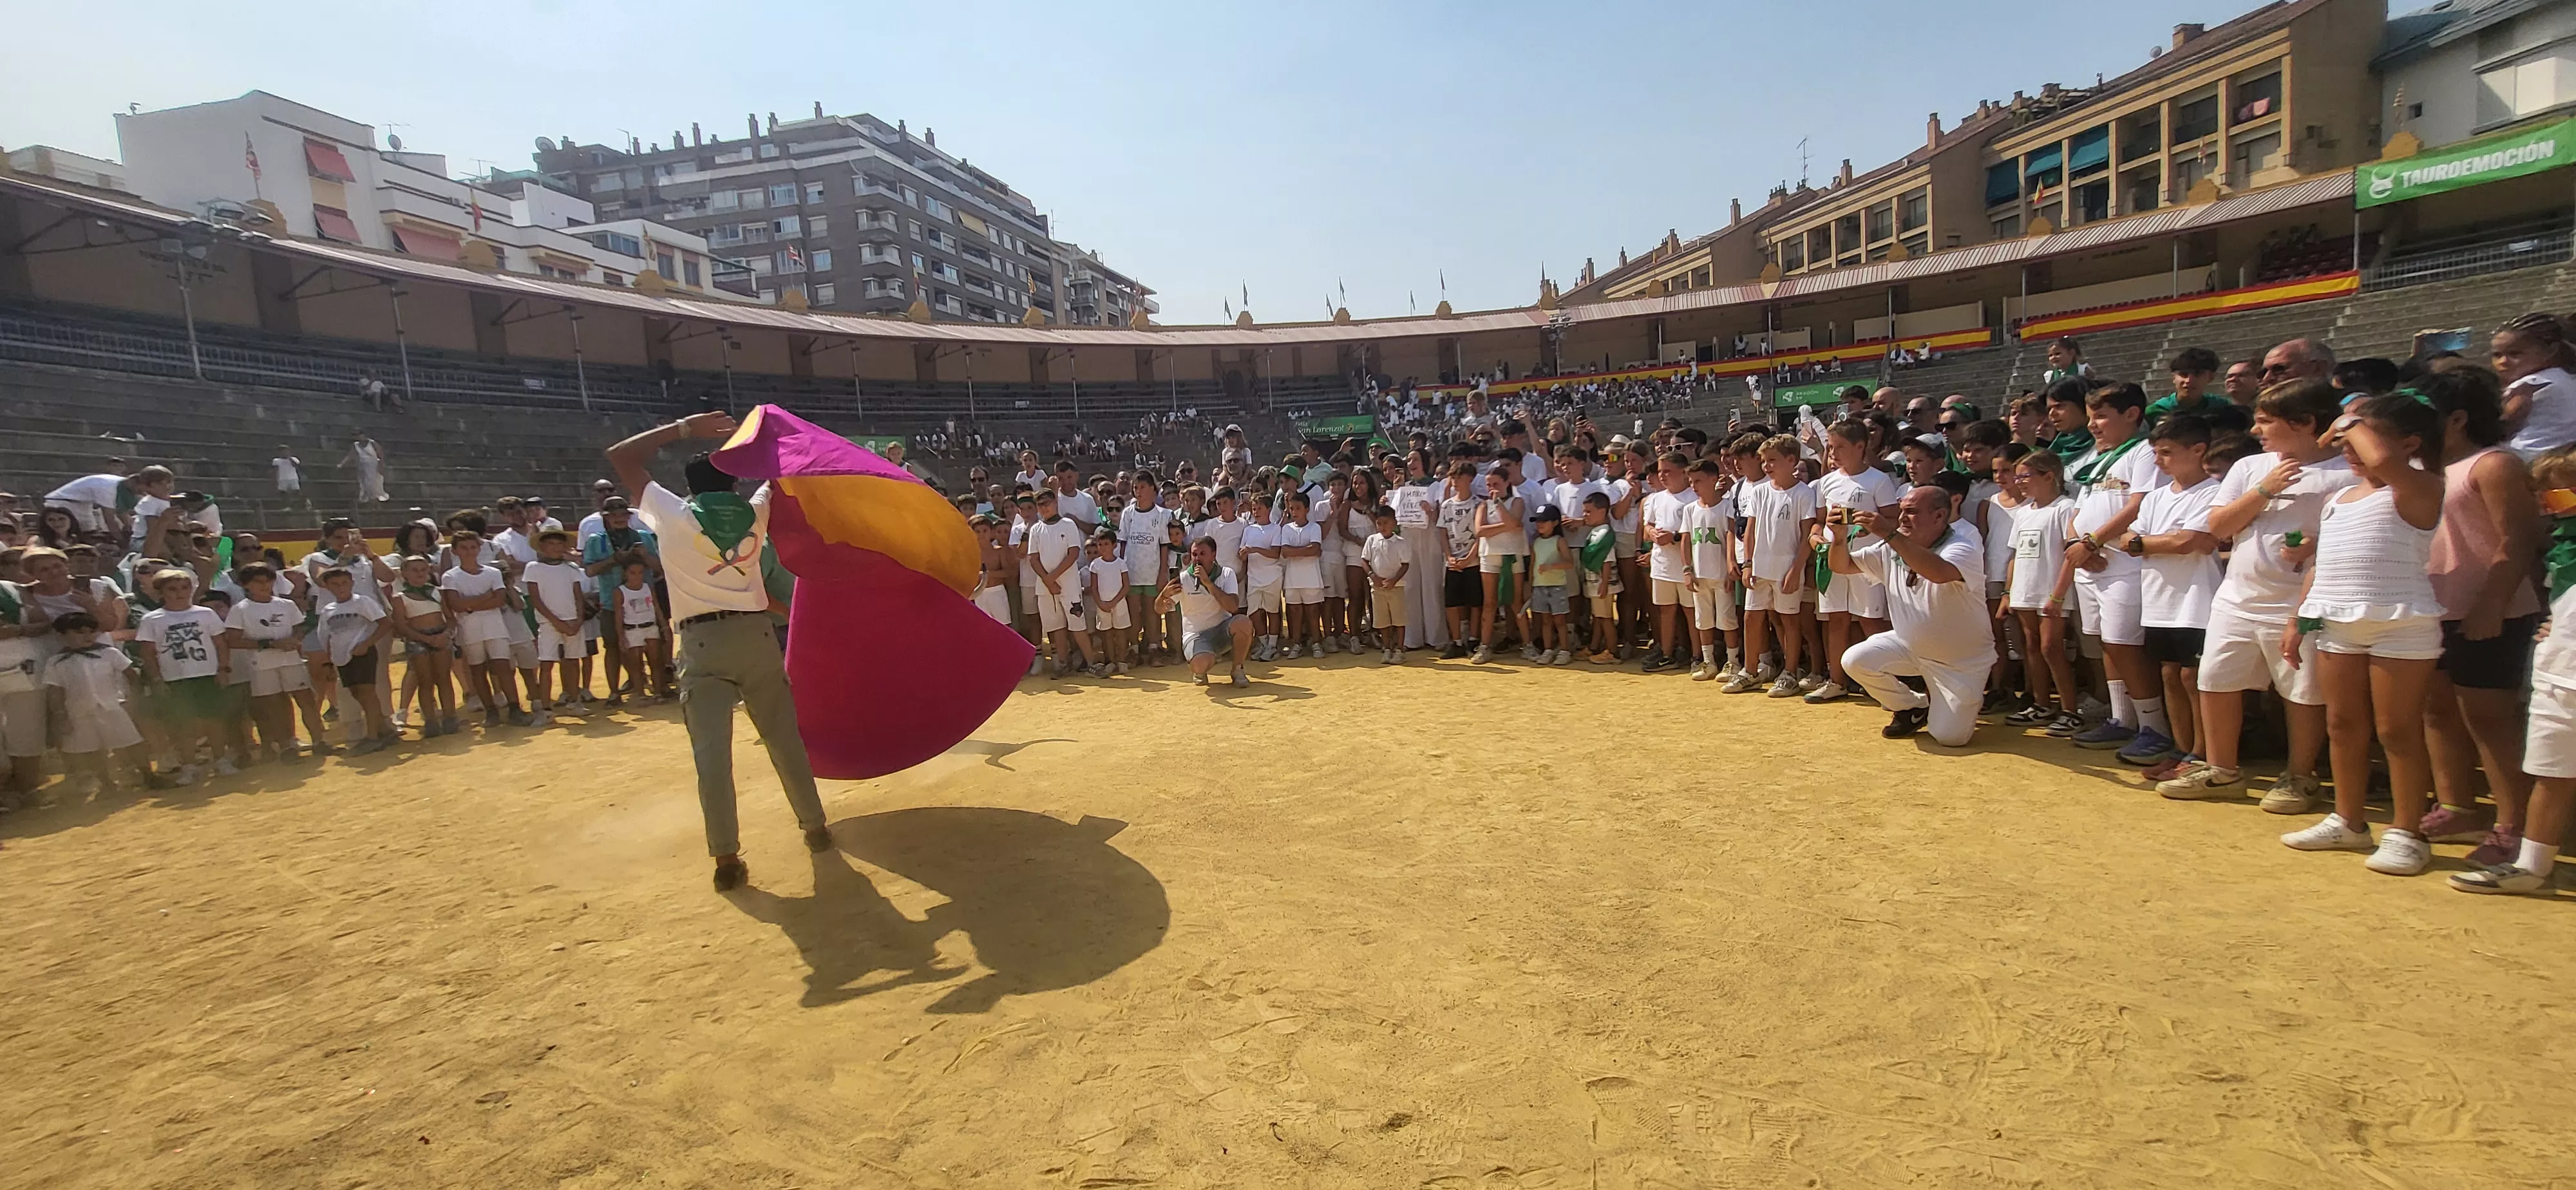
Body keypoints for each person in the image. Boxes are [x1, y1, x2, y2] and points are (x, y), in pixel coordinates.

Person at [606, 411, 831, 892]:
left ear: (690, 489)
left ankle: (726, 856)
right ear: (732, 485)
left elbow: (620, 457)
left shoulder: (675, 514)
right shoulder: (755, 512)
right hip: (755, 637)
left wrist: (685, 427)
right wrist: (759, 437)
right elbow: (779, 476)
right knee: (783, 738)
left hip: (702, 644)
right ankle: (814, 827)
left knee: (712, 756)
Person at [2156, 379, 2349, 805]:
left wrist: (2317, 546)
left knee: (2304, 690)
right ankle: (2222, 770)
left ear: (2305, 423)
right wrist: (2266, 490)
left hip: (2307, 603)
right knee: (2215, 679)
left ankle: (2301, 776)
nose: (2257, 430)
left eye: (2266, 421)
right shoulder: (2250, 468)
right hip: (2237, 598)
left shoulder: (2347, 473)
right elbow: (2219, 526)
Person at [2278, 393, 2448, 876]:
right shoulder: (2339, 501)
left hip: (2403, 623)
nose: (2347, 447)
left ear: (2410, 443)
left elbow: (2383, 461)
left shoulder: (2418, 487)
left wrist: (2350, 420)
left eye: (2358, 437)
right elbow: (2322, 567)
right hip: (2338, 623)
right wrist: (2299, 620)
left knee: (2397, 730)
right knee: (2342, 725)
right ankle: (2349, 821)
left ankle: (2407, 831)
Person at [2419, 367, 2542, 865]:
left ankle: (2515, 824)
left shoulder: (2494, 465)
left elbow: (2517, 541)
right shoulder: (2426, 471)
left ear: (2458, 419)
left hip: (2491, 610)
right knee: (2438, 709)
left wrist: (2492, 602)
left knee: (2490, 718)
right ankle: (2458, 805)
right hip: (2436, 607)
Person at [2453, 442, 2576, 893]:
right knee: (2552, 774)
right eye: (2545, 498)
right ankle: (2533, 867)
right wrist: (2556, 623)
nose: (2550, 509)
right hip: (2559, 675)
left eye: (2562, 497)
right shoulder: (2564, 547)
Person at [1827, 487, 1994, 745]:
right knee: (1854, 660)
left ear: (1939, 516)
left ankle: (1956, 702)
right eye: (1902, 510)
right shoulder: (1890, 545)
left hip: (1961, 662)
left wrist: (1888, 533)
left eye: (1912, 512)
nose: (1903, 517)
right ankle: (1912, 707)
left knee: (1950, 738)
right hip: (1911, 646)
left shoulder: (1962, 547)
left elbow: (1938, 572)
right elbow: (1841, 566)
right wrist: (1839, 539)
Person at [2061, 384, 2166, 753]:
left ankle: (2155, 728)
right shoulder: (2102, 456)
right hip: (2092, 566)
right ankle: (2123, 720)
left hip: (2125, 567)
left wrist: (2092, 543)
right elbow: (2078, 513)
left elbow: (2138, 506)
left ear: (2132, 414)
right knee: (2108, 644)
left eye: (2101, 416)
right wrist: (2079, 545)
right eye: (2091, 417)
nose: (2093, 425)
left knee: (2126, 645)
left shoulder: (2143, 453)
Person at [2117, 415, 2223, 772]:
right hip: (2160, 598)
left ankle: (2203, 751)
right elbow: (2129, 539)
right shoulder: (2157, 497)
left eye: (2167, 452)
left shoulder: (2214, 491)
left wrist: (2146, 543)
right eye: (2156, 453)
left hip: (2197, 597)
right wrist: (2158, 542)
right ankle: (2181, 750)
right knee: (2168, 674)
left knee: (2193, 677)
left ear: (2198, 450)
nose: (2160, 461)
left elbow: (2189, 542)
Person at [1809, 420, 1899, 701]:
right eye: (1830, 447)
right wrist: (1815, 538)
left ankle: (1883, 684)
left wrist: (1869, 527)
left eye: (1840, 447)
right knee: (1837, 620)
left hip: (1865, 562)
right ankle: (1836, 681)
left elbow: (1893, 520)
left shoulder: (1879, 480)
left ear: (1860, 447)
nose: (1833, 453)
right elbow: (1819, 522)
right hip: (1834, 559)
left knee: (1870, 621)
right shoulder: (1826, 482)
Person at [2000, 451, 2082, 733]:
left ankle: (2071, 709)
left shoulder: (2065, 508)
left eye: (2025, 476)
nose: (2019, 482)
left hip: (2051, 590)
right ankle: (2041, 703)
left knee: (2051, 647)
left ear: (2049, 477)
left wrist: (2058, 594)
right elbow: (2014, 555)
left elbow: (2070, 554)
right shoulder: (2024, 512)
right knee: (2031, 647)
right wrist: (2008, 592)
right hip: (2025, 589)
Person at [1728, 435, 1815, 697]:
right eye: (1764, 461)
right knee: (1751, 617)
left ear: (1792, 461)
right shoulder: (1759, 491)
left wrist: (1796, 569)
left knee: (1789, 620)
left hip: (1787, 569)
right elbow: (1751, 531)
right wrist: (1748, 564)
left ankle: (1790, 672)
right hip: (1759, 569)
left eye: (1772, 461)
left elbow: (1806, 534)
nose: (1767, 466)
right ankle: (1751, 671)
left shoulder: (1804, 493)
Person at [135, 568, 232, 784]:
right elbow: (148, 654)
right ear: (161, 593)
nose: (180, 593)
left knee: (214, 721)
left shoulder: (205, 614)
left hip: (207, 675)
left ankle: (221, 760)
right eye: (173, 589)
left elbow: (221, 645)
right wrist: (157, 680)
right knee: (183, 724)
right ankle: (189, 766)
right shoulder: (152, 620)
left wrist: (224, 669)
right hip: (175, 679)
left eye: (185, 587)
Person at [225, 562, 328, 758]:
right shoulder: (240, 610)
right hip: (261, 664)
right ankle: (287, 745)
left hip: (290, 660)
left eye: (268, 581)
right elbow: (233, 640)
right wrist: (270, 644)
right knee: (275, 705)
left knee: (306, 699)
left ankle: (319, 741)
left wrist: (295, 640)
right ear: (246, 585)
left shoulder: (286, 605)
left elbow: (299, 626)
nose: (265, 585)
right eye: (259, 582)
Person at [41, 610, 147, 795]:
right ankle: (106, 783)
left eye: (91, 631)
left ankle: (148, 775)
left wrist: (135, 699)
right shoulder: (56, 662)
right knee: (93, 749)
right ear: (63, 635)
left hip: (112, 706)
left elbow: (131, 675)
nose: (88, 636)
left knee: (131, 742)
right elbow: (55, 690)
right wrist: (59, 715)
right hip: (78, 711)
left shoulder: (109, 653)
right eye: (80, 632)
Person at [441, 531, 529, 728]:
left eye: (473, 547)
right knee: (478, 670)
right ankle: (491, 711)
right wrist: (485, 598)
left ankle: (515, 708)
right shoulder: (450, 576)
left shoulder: (493, 572)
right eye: (464, 548)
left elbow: (499, 600)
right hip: (469, 629)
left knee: (503, 668)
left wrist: (470, 606)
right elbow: (456, 605)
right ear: (455, 551)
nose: (469, 551)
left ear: (479, 549)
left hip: (495, 626)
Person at [314, 567, 395, 753]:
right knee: (357, 693)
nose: (340, 587)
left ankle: (373, 736)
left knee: (367, 692)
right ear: (327, 587)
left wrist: (367, 644)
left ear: (352, 583)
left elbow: (386, 623)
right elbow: (326, 637)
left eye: (344, 583)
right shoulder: (328, 610)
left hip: (362, 653)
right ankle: (383, 730)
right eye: (335, 584)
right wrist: (329, 661)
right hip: (342, 657)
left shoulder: (362, 602)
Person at [1158, 536, 1253, 686]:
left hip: (1222, 631)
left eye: (1203, 554)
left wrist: (1208, 583)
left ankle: (1238, 670)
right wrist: (1164, 595)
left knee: (1244, 623)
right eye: (1195, 554)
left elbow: (1233, 607)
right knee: (1200, 664)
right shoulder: (1183, 578)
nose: (1197, 559)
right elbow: (1158, 609)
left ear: (1213, 555)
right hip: (1195, 635)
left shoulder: (1227, 574)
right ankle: (1202, 665)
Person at [1022, 489, 1095, 677]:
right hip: (1046, 588)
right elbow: (1033, 558)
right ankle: (1062, 664)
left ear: (1055, 502)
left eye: (1047, 503)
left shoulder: (1068, 524)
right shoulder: (1036, 530)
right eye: (1040, 505)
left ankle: (1092, 663)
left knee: (1077, 625)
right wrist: (1048, 581)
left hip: (1068, 584)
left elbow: (1073, 554)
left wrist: (1052, 577)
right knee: (1056, 628)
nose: (1044, 508)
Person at [1681, 460, 1738, 681]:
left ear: (1714, 480)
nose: (1694, 486)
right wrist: (1687, 569)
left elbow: (1730, 536)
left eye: (1699, 481)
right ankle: (1708, 662)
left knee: (1727, 620)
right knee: (1703, 620)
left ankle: (1733, 662)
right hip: (1699, 575)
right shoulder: (1690, 509)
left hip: (1721, 575)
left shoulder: (1726, 507)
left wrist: (1730, 568)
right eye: (1691, 482)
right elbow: (1686, 540)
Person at [391, 553, 459, 737]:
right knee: (425, 681)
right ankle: (430, 720)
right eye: (414, 571)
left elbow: (451, 618)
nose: (419, 574)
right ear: (404, 573)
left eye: (423, 570)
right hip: (418, 640)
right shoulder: (400, 597)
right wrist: (426, 639)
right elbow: (401, 625)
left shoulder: (438, 592)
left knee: (444, 679)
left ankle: (450, 716)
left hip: (440, 636)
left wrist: (447, 634)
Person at [2493, 312, 2576, 461]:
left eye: (2515, 354)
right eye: (2497, 355)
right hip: (2562, 456)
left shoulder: (2530, 385)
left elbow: (2503, 425)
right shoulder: (2566, 379)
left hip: (2528, 459)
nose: (2503, 362)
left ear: (2551, 350)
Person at [1470, 468, 1528, 665]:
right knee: (1489, 603)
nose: (1491, 488)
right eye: (1489, 485)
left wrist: (1499, 505)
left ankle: (1528, 645)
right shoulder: (1482, 505)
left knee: (1516, 602)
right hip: (1489, 556)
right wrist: (1508, 526)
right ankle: (1485, 646)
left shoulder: (1517, 501)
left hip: (1512, 555)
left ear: (1506, 482)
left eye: (1496, 484)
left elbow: (1515, 520)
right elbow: (1479, 531)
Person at [1277, 491, 1327, 658]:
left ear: (1307, 509)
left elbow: (1315, 549)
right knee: (1295, 613)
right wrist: (1305, 551)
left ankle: (1316, 643)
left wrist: (1296, 551)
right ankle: (1296, 644)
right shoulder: (1286, 528)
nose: (1294, 511)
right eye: (1292, 508)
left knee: (1313, 612)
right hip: (1292, 579)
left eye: (1298, 508)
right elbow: (1285, 551)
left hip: (1312, 578)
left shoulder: (1315, 527)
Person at [1526, 505, 1575, 665]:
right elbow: (1532, 565)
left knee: (1560, 621)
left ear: (1555, 523)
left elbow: (1569, 563)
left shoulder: (1560, 541)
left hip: (1557, 586)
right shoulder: (1536, 542)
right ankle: (1548, 650)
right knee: (1545, 621)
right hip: (1540, 587)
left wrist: (1551, 567)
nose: (1539, 524)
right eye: (1538, 521)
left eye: (1544, 521)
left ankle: (1565, 650)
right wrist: (1531, 587)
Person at [1362, 505, 1410, 665]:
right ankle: (1387, 647)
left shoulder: (1401, 542)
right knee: (1382, 620)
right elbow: (1364, 560)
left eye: (1386, 523)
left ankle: (1400, 649)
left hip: (1395, 586)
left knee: (1398, 619)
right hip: (1377, 587)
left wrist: (1394, 580)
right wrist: (1372, 575)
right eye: (1379, 523)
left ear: (1394, 523)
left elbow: (1405, 564)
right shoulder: (1372, 540)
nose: (1382, 527)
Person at [1084, 530, 1132, 675]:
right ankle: (1110, 661)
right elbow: (1094, 587)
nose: (1103, 547)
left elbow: (1126, 586)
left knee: (1121, 632)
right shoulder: (1095, 565)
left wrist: (1114, 602)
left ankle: (1122, 661)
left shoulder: (1121, 563)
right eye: (1100, 544)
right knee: (1107, 634)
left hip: (1119, 603)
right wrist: (1101, 604)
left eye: (1106, 544)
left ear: (1114, 545)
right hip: (1102, 605)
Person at [2145, 348, 2229, 424]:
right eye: (2183, 374)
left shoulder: (2221, 408)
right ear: (2173, 378)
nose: (2189, 381)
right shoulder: (2154, 412)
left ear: (2211, 377)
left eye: (2197, 374)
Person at [345, 433, 390, 504]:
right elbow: (350, 455)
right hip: (363, 468)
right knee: (365, 485)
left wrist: (381, 465)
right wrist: (342, 464)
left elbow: (380, 454)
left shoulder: (373, 444)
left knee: (376, 485)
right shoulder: (355, 445)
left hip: (374, 467)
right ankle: (368, 502)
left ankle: (377, 504)